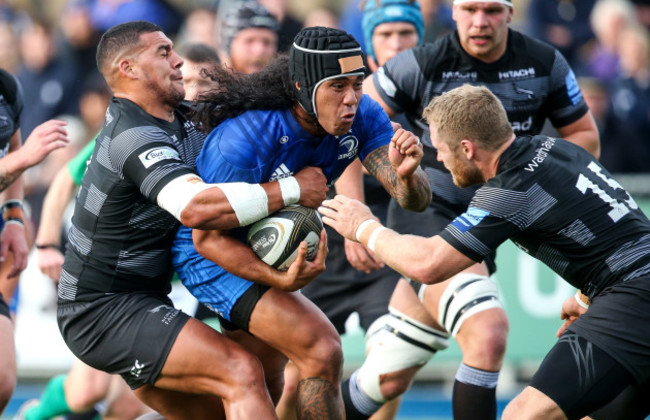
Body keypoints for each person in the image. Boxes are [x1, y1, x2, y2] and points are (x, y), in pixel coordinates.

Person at [320, 83, 650, 420]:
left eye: (441, 150)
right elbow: (620, 234)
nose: (441, 160)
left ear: (466, 148)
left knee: (523, 415)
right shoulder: (558, 148)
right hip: (630, 291)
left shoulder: (510, 190)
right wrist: (584, 298)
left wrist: (363, 227)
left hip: (634, 300)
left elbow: (431, 264)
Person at [56, 20, 330, 420]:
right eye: (164, 52)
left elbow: (262, 113)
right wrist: (292, 191)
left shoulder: (186, 117)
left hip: (148, 298)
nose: (179, 60)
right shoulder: (132, 136)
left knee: (235, 401)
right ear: (129, 69)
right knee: (241, 372)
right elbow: (195, 207)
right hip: (101, 310)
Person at [343, 1, 601, 419]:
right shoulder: (420, 64)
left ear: (511, 12)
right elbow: (349, 125)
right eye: (470, 9)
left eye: (493, 10)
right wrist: (357, 215)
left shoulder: (544, 61)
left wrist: (538, 181)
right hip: (429, 213)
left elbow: (584, 135)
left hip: (490, 223)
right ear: (453, 12)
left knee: (384, 377)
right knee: (488, 333)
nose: (481, 21)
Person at [172, 26, 432, 420]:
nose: (351, 100)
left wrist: (410, 174)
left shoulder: (363, 115)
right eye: (337, 86)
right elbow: (206, 238)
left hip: (266, 247)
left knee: (264, 386)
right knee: (321, 351)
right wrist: (277, 279)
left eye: (358, 84)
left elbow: (411, 200)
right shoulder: (244, 138)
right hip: (210, 255)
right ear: (301, 86)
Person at [277, 3, 426, 419]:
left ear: (420, 39)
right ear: (370, 47)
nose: (397, 43)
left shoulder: (432, 90)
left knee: (389, 365)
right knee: (294, 377)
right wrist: (354, 226)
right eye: (386, 35)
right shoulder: (357, 94)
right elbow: (347, 154)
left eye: (405, 34)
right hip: (331, 239)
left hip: (387, 250)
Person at [0, 68, 70, 415]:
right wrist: (24, 157)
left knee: (2, 380)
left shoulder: (7, 86)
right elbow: (16, 156)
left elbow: (9, 146)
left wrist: (13, 215)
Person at [217, 0, 280, 74]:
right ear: (229, 46)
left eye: (267, 42)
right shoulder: (209, 83)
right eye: (249, 41)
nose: (259, 51)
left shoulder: (287, 84)